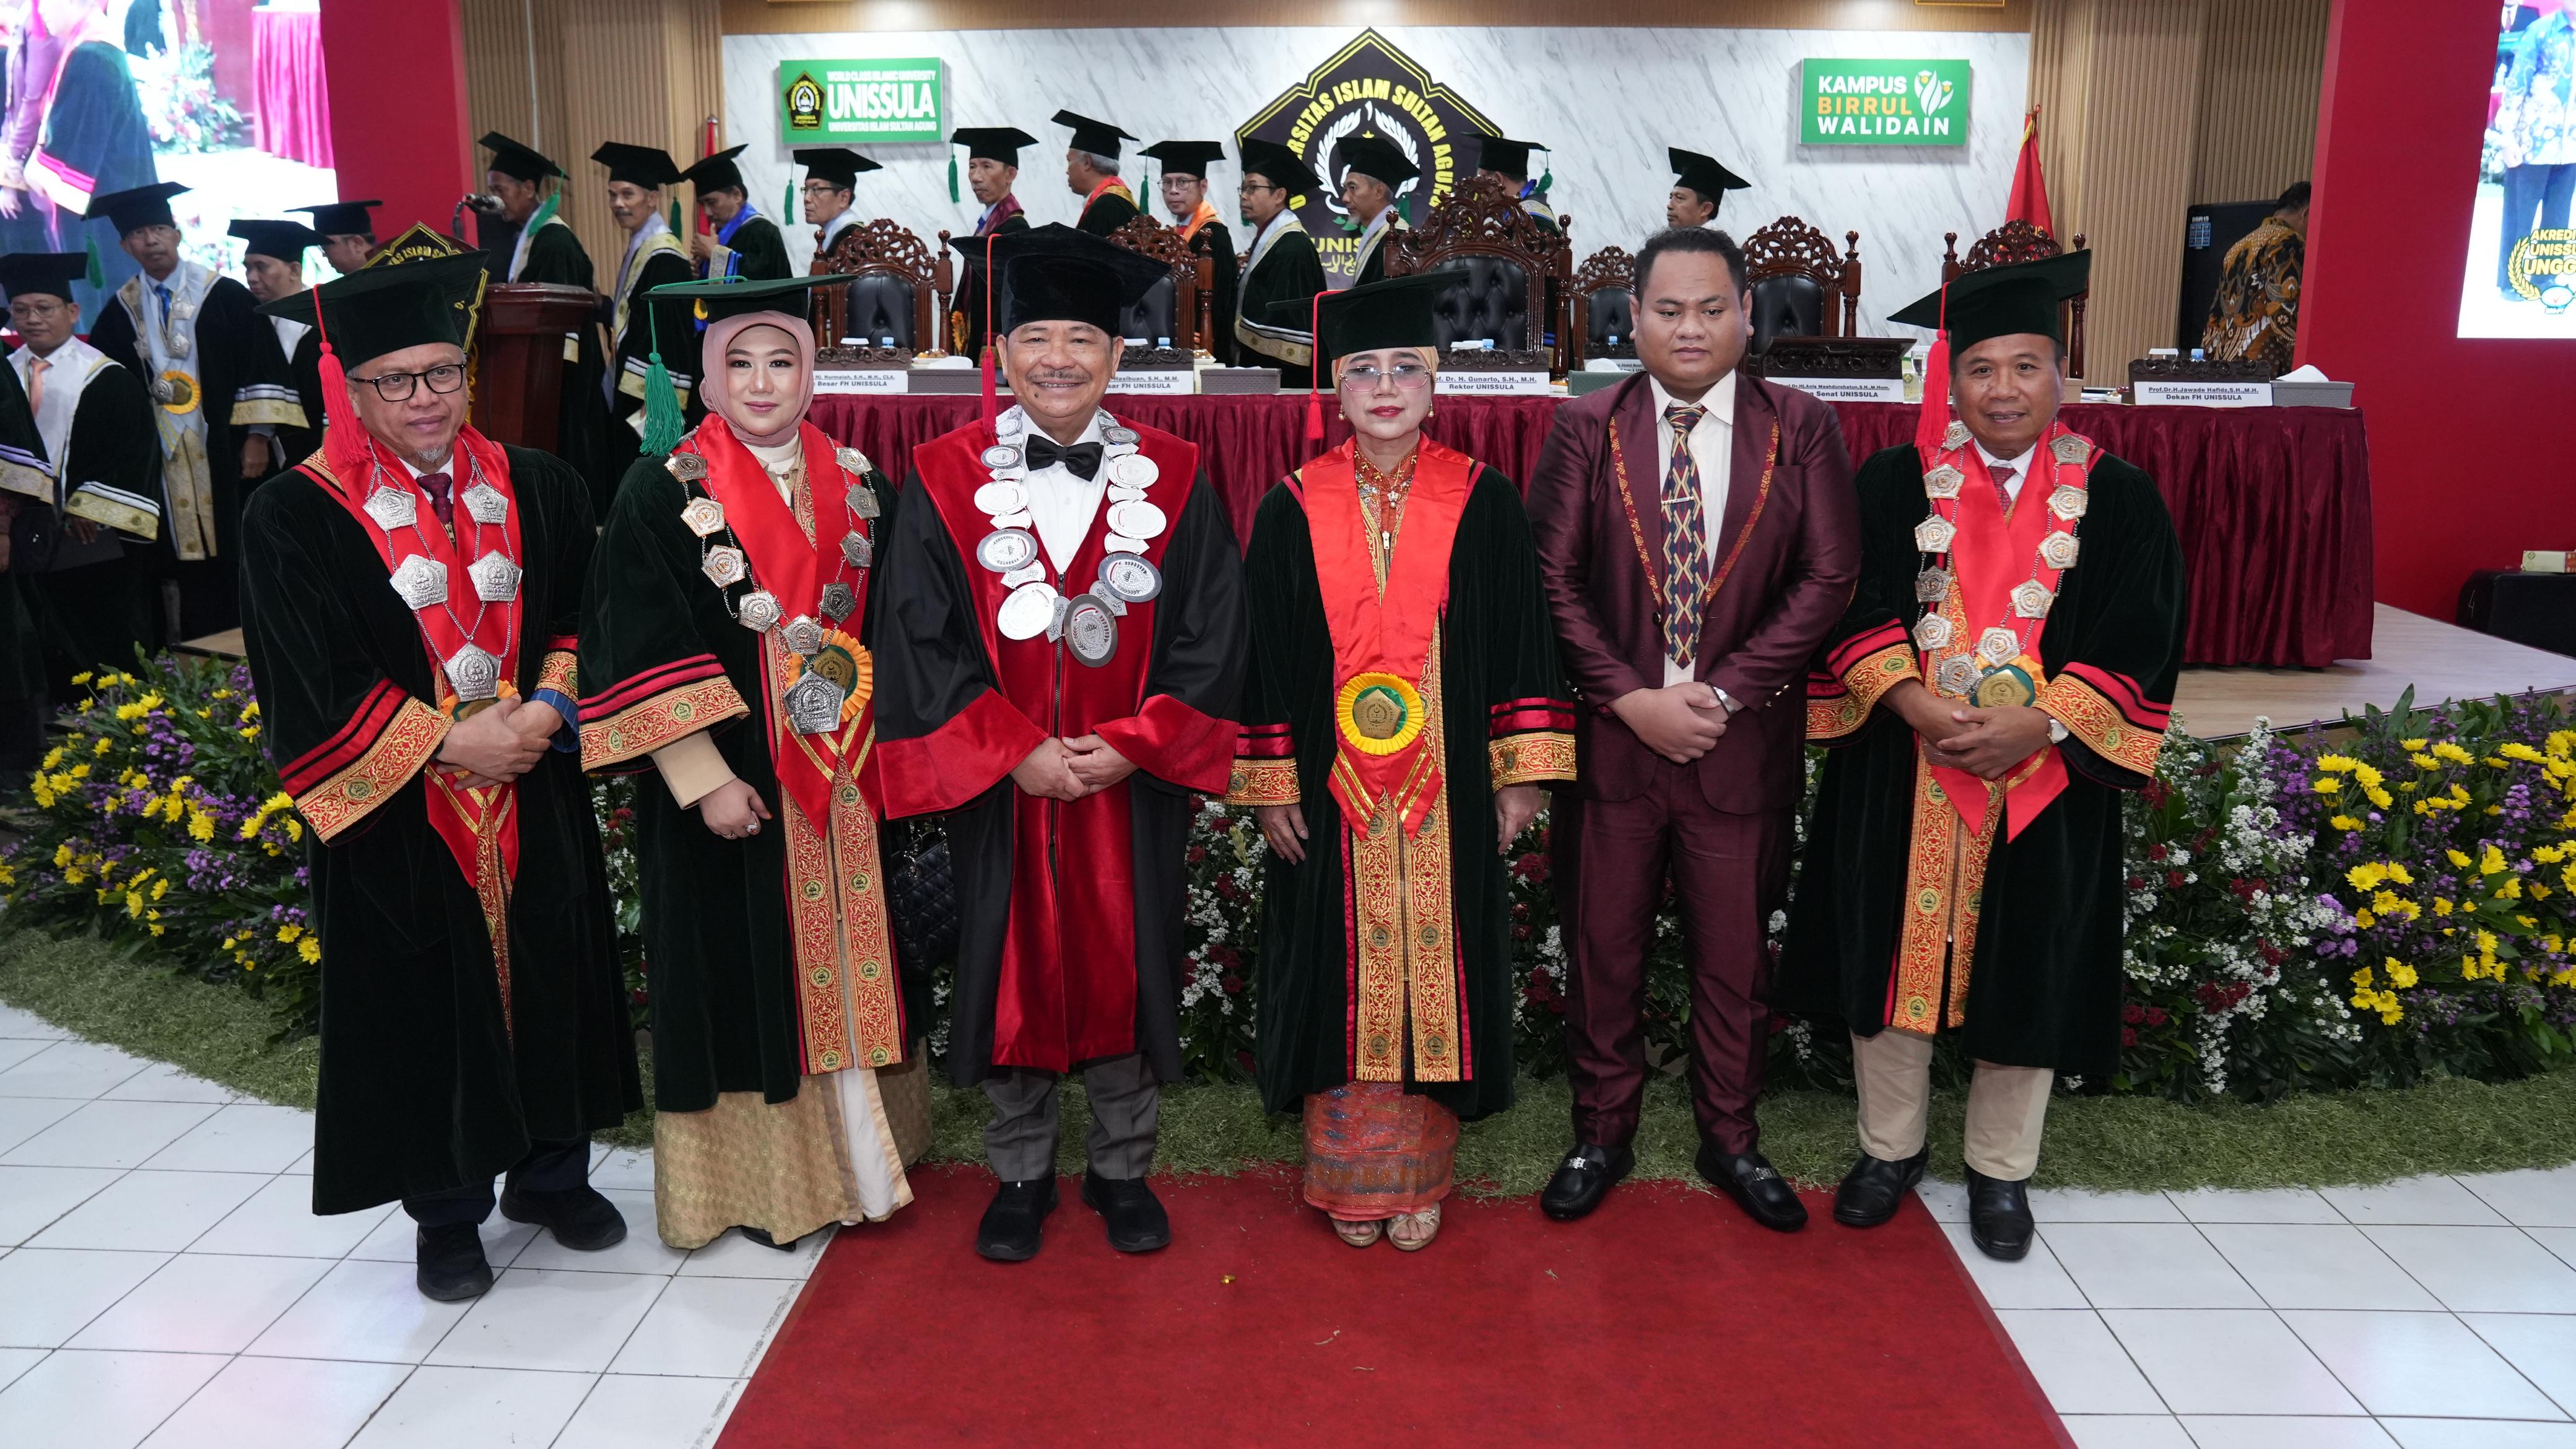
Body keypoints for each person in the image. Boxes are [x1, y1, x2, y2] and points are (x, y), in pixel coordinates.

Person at [240, 252, 641, 1301]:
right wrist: (451, 744)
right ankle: (448, 1216)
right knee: (427, 1003)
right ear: (352, 389)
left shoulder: (540, 484)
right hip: (402, 814)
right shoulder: (295, 515)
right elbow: (306, 677)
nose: (424, 399)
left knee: (554, 975)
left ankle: (553, 1178)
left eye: (441, 374)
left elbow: (582, 618)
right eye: (395, 381)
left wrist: (548, 710)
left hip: (534, 783)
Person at [1781, 250, 2183, 1262]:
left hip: (2047, 778)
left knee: (2029, 959)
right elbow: (1846, 602)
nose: (2003, 390)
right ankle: (1889, 1149)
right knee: (1889, 953)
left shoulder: (2121, 498)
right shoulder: (1893, 482)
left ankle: (2002, 1169)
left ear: (2063, 375)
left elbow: (2142, 633)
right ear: (1951, 381)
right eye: (1980, 369)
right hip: (1903, 763)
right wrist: (1915, 702)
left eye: (2025, 367)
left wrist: (2043, 722)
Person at [872, 224, 1247, 1263]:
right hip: (1006, 786)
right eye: (1035, 337)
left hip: (1132, 783)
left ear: (1117, 356)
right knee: (1009, 960)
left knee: (1131, 955)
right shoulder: (942, 477)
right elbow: (917, 637)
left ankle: (1122, 1167)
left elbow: (1215, 634)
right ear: (1001, 353)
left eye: (1081, 338)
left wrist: (1138, 742)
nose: (1057, 359)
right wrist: (1011, 749)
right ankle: (1023, 1170)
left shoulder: (1178, 476)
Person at [1522, 226, 1861, 1231]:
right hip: (1614, 748)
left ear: (1748, 316)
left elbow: (1829, 575)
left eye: (1713, 308)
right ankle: (1600, 1132)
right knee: (1604, 954)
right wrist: (1631, 699)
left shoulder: (1800, 425)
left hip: (1738, 746)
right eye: (1668, 310)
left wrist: (1725, 693)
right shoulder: (1586, 427)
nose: (1690, 328)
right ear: (1631, 319)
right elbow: (1552, 578)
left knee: (1735, 961)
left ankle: (1733, 1139)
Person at [581, 274, 928, 1250]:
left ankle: (871, 1162)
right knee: (742, 977)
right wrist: (703, 780)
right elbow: (634, 642)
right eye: (740, 364)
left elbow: (900, 629)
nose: (763, 383)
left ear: (812, 373)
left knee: (853, 958)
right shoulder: (661, 490)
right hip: (734, 789)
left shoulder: (861, 482)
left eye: (783, 361)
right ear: (706, 378)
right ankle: (771, 1189)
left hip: (849, 780)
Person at [1230, 274, 1573, 1251]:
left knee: (1440, 959)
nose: (1386, 387)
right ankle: (1348, 1176)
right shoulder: (1292, 506)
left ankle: (1416, 1177)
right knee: (1334, 959)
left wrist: (1521, 772)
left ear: (1435, 383)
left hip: (1447, 781)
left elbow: (1521, 637)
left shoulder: (1484, 499)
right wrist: (1270, 786)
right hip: (1329, 785)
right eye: (1364, 370)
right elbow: (1263, 655)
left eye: (1407, 368)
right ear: (1335, 390)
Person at [82, 181, 264, 638]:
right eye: (138, 234)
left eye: (159, 229)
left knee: (238, 547)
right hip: (160, 456)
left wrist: (258, 435)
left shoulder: (224, 295)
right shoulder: (118, 313)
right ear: (125, 246)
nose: (151, 240)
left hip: (225, 446)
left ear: (177, 234)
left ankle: (251, 644)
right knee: (178, 562)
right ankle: (196, 650)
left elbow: (257, 364)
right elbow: (111, 395)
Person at [4, 248, 157, 698]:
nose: (32, 319)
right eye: (21, 310)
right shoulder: (7, 373)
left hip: (85, 531)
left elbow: (132, 448)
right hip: (22, 526)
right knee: (40, 630)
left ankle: (125, 717)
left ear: (72, 312)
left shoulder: (105, 375)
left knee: (99, 629)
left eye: (44, 308)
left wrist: (91, 505)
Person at [20, 0, 151, 289]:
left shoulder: (91, 57)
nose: (40, 11)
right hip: (120, 198)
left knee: (106, 292)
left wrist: (34, 172)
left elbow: (77, 146)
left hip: (103, 208)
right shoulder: (93, 47)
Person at [591, 142, 695, 478]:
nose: (618, 204)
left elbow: (667, 333)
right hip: (634, 382)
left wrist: (650, 397)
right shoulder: (642, 246)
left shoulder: (666, 257)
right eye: (612, 195)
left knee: (645, 473)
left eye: (627, 194)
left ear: (652, 198)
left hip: (646, 392)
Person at [228, 219, 327, 470]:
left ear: (294, 270)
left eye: (261, 267)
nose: (251, 277)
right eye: (247, 268)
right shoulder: (244, 320)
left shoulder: (324, 322)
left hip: (316, 454)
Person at [2492, 6, 2574, 300]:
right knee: (2520, 217)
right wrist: (2507, 139)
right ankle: (2510, 281)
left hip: (2570, 147)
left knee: (2558, 218)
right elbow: (2516, 87)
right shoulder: (2540, 31)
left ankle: (2545, 277)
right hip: (2530, 144)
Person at [1232, 139, 1328, 386]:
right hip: (1264, 370)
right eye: (1243, 188)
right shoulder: (1272, 239)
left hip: (1284, 378)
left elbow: (1290, 321)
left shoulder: (1293, 247)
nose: (1244, 196)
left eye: (1253, 188)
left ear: (1280, 195)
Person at [1139, 139, 1236, 362]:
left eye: (1182, 182)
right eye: (1167, 183)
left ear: (1203, 186)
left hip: (1206, 348)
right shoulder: (1172, 235)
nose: (1173, 191)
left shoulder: (1214, 235)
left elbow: (1221, 302)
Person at [2199, 181, 2308, 375]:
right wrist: (2304, 364)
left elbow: (2216, 316)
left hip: (2227, 366)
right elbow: (2283, 310)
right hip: (2265, 366)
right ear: (2306, 214)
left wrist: (2209, 364)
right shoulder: (2289, 242)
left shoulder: (2238, 247)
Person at [949, 125, 1036, 356]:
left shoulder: (1013, 229)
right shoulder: (988, 224)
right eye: (972, 166)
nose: (976, 177)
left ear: (1010, 174)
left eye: (987, 166)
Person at [481, 133, 588, 286]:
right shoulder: (521, 234)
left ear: (529, 189)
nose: (495, 200)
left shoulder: (554, 239)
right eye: (492, 191)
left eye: (501, 190)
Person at [683, 144, 790, 283]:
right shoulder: (718, 234)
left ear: (737, 195)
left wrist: (715, 254)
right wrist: (698, 274)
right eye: (702, 205)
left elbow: (761, 282)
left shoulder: (763, 232)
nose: (707, 212)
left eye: (712, 202)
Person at [1334, 133, 1414, 289]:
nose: (1345, 198)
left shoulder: (1397, 238)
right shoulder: (1378, 234)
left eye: (1353, 188)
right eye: (1345, 189)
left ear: (1379, 192)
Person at [1055, 110, 1140, 238]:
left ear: (1087, 163)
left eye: (1069, 161)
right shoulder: (1119, 201)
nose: (1067, 171)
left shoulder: (1106, 208)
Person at [796, 145, 881, 262]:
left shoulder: (855, 243)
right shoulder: (838, 236)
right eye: (806, 190)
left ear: (844, 198)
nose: (807, 198)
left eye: (816, 190)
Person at [1473, 133, 1557, 233]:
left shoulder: (1534, 222)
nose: (1480, 192)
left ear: (1498, 180)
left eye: (1481, 181)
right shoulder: (1517, 213)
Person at [290, 199, 382, 276]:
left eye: (328, 245)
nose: (324, 254)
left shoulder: (387, 278)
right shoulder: (351, 284)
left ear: (357, 244)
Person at [1666, 149, 1751, 230]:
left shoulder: (1714, 240)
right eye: (1671, 197)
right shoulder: (1675, 238)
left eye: (1680, 198)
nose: (1669, 206)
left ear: (1706, 209)